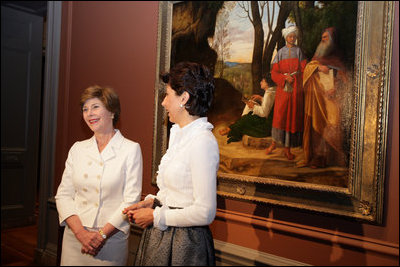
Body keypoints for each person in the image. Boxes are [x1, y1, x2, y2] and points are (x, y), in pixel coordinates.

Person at [123, 62, 219, 266]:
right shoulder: (179, 134)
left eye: (168, 95)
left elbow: (205, 212)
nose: (163, 103)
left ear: (184, 98)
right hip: (165, 236)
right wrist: (153, 202)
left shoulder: (202, 141)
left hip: (186, 244)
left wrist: (156, 216)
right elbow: (178, 192)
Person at [55, 85, 143, 265]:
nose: (89, 114)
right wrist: (81, 233)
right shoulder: (78, 148)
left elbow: (131, 201)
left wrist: (100, 236)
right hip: (75, 239)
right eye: (85, 109)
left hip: (110, 240)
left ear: (112, 111)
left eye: (95, 107)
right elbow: (63, 195)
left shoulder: (130, 149)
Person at [300, 27, 348, 168]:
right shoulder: (317, 59)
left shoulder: (337, 59)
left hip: (332, 99)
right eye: (322, 37)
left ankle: (330, 159)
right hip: (318, 99)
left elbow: (345, 79)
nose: (323, 39)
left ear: (332, 41)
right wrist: (317, 68)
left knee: (331, 127)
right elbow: (308, 70)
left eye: (326, 38)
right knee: (317, 127)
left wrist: (335, 88)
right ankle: (317, 158)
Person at [266, 25, 307, 160]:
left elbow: (304, 69)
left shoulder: (299, 51)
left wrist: (294, 78)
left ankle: (287, 149)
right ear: (286, 37)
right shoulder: (280, 53)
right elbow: (274, 73)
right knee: (279, 116)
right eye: (290, 36)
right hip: (283, 90)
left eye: (294, 36)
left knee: (291, 118)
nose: (293, 38)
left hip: (295, 89)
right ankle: (273, 144)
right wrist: (284, 78)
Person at [219, 75, 276, 143]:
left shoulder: (269, 94)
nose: (260, 83)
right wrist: (261, 98)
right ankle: (232, 127)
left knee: (246, 118)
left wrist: (253, 106)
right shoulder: (272, 92)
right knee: (248, 111)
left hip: (264, 124)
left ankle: (229, 129)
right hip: (266, 119)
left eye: (262, 81)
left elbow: (264, 113)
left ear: (267, 83)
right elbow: (269, 105)